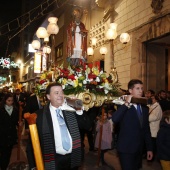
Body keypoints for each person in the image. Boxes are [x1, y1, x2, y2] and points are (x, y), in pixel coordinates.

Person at [26, 82, 91, 170]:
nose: (60, 95)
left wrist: (78, 108)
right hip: (53, 160)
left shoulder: (70, 110)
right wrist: (33, 166)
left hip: (73, 158)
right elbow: (31, 144)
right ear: (48, 97)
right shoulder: (39, 116)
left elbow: (88, 126)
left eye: (61, 92)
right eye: (56, 93)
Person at [112, 79, 153, 170]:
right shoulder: (123, 105)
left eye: (142, 88)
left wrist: (149, 148)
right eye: (137, 88)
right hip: (126, 148)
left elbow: (146, 129)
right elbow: (115, 119)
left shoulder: (144, 108)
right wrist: (126, 103)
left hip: (139, 149)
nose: (141, 91)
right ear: (130, 91)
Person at [0, 93, 19, 170]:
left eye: (12, 101)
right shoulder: (1, 110)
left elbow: (16, 121)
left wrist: (18, 123)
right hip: (2, 134)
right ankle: (3, 166)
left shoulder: (15, 110)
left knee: (8, 153)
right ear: (5, 101)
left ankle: (4, 165)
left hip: (11, 135)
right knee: (3, 152)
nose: (10, 102)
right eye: (9, 101)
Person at [148, 94, 162, 160]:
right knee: (150, 143)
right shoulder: (152, 106)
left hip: (154, 128)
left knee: (153, 144)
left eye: (153, 98)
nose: (151, 99)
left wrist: (145, 117)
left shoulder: (157, 107)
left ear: (156, 99)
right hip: (151, 128)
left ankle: (152, 157)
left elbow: (154, 117)